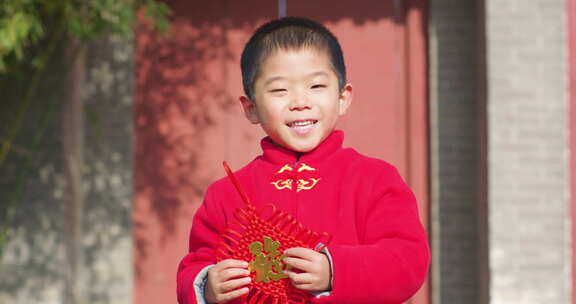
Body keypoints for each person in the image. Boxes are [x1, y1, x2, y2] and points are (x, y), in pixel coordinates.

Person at [177, 16, 429, 304]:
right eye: (279, 90)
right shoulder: (226, 194)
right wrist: (208, 286)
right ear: (251, 108)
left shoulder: (375, 179)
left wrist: (335, 270)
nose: (299, 102)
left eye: (316, 86)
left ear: (343, 97)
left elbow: (408, 260)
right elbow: (195, 264)